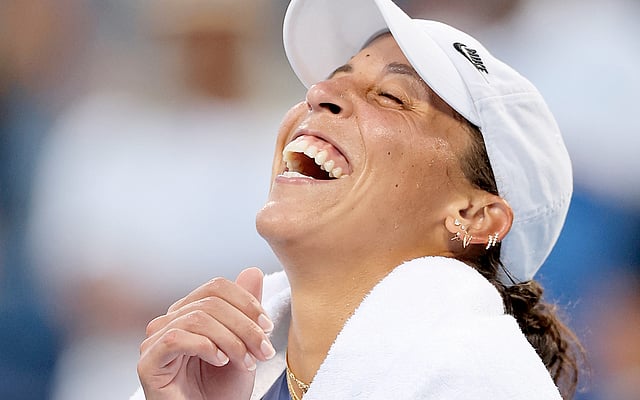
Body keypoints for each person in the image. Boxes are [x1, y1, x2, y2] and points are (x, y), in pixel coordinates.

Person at [132, 0, 585, 399]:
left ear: (473, 216)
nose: (318, 93)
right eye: (333, 79)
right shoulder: (211, 376)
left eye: (391, 97)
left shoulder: (481, 384)